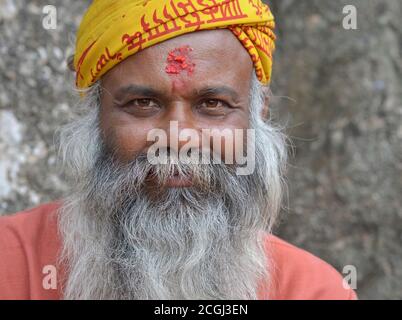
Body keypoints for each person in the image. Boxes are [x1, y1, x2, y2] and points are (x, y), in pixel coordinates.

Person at [0, 0, 357, 300]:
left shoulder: (312, 291)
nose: (179, 138)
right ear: (95, 114)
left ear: (257, 111)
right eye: (143, 103)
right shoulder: (11, 264)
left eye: (213, 104)